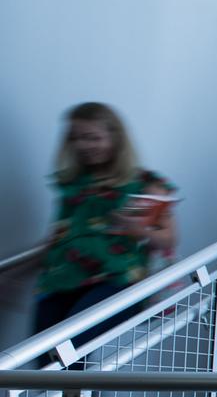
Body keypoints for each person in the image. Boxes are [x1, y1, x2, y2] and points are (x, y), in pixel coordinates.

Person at [33, 102, 178, 346]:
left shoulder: (143, 183)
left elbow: (169, 238)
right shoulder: (73, 185)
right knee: (45, 360)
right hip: (60, 279)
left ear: (115, 137)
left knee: (71, 345)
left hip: (115, 280)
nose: (83, 146)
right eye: (76, 139)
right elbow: (58, 238)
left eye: (92, 138)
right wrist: (13, 273)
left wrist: (137, 229)